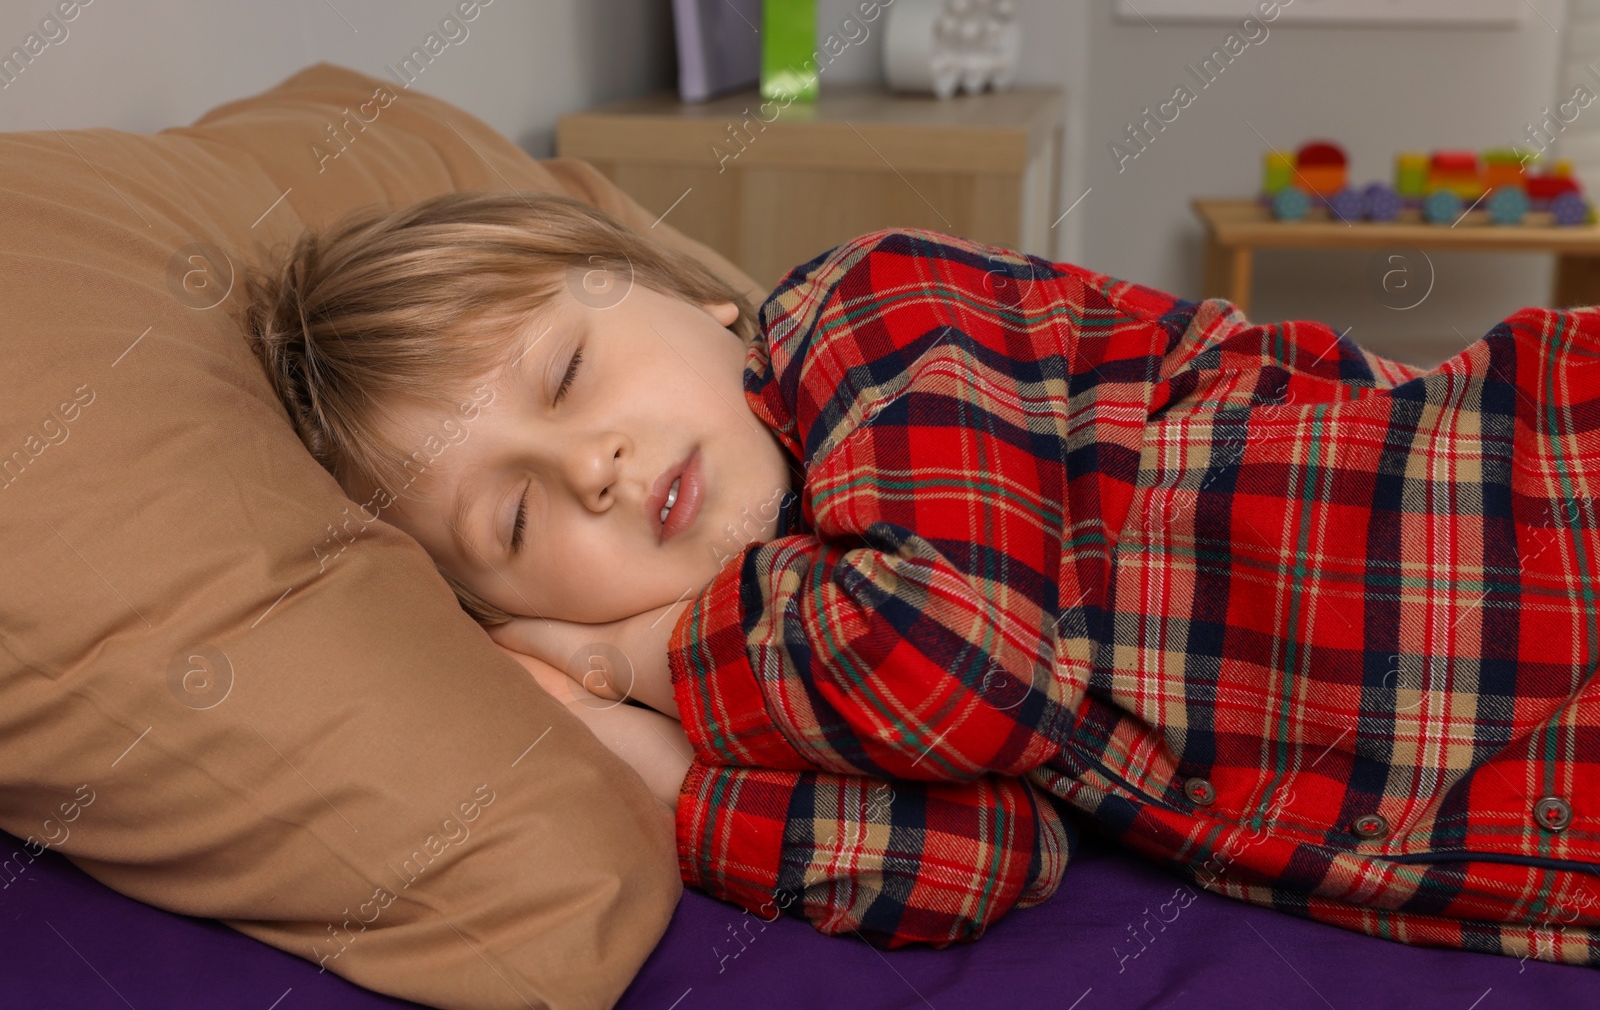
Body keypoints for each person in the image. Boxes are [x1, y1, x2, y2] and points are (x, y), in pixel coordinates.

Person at [245, 190, 1600, 965]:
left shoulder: (876, 315)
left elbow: (960, 665)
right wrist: (627, 754)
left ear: (683, 294)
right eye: (520, 519)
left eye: (567, 374)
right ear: (513, 611)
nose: (591, 465)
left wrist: (622, 662)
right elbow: (977, 861)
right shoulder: (781, 661)